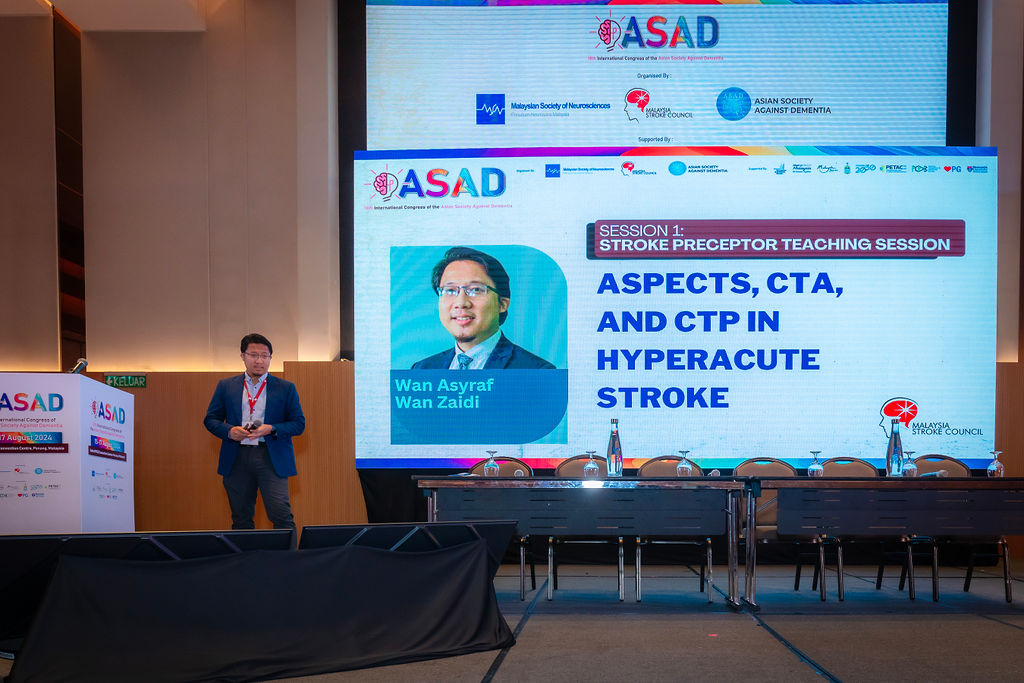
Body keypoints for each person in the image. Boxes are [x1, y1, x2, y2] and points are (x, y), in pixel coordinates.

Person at [203, 333, 305, 530]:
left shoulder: (286, 388)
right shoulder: (226, 386)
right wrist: (229, 431)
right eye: (254, 355)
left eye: (265, 356)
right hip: (237, 456)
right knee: (241, 518)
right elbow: (210, 419)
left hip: (271, 457)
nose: (259, 361)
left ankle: (287, 552)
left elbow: (298, 424)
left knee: (282, 517)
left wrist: (272, 428)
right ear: (243, 356)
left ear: (270, 358)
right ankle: (245, 552)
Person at [412, 246, 555, 370]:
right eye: (450, 290)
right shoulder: (421, 369)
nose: (461, 303)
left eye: (475, 290)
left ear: (502, 304)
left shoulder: (538, 372)